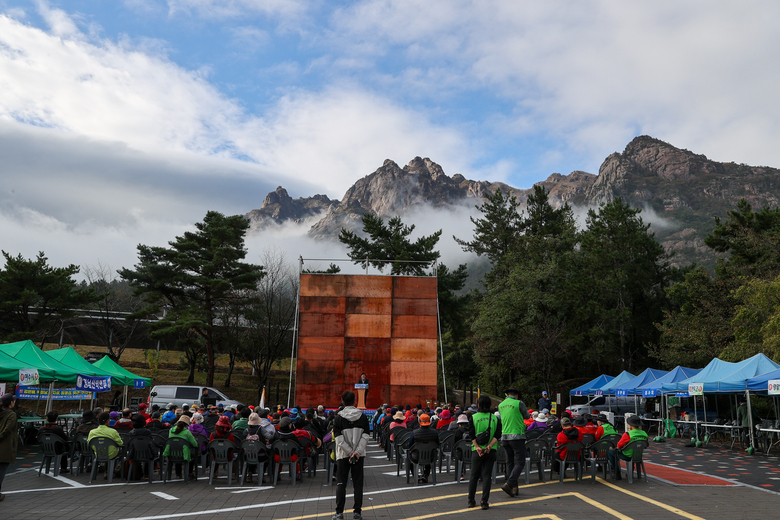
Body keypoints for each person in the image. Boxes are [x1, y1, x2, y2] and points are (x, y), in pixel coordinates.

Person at [332, 390, 370, 520]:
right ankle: (357, 512)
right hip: (359, 456)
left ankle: (339, 512)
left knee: (341, 483)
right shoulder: (363, 417)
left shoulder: (338, 418)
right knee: (358, 484)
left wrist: (349, 453)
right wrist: (356, 453)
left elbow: (338, 439)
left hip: (343, 455)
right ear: (355, 401)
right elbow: (366, 436)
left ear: (342, 401)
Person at [467, 395, 502, 510]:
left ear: (479, 404)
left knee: (474, 476)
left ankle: (471, 500)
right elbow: (498, 434)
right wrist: (489, 446)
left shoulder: (474, 417)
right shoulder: (495, 418)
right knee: (487, 476)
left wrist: (477, 447)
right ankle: (484, 501)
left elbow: (471, 434)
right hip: (490, 451)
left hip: (476, 451)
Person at [498, 387, 530, 498]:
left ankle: (514, 488)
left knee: (509, 462)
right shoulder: (518, 403)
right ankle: (509, 483)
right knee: (520, 462)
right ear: (516, 395)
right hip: (517, 435)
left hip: (505, 436)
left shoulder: (500, 405)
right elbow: (527, 416)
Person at [610, 415, 648, 480]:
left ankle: (617, 473)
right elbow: (646, 445)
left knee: (611, 452)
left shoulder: (628, 434)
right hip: (638, 455)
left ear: (630, 425)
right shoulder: (644, 433)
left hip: (627, 456)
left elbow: (619, 445)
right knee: (632, 450)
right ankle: (631, 472)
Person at [405, 413, 439, 483]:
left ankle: (415, 476)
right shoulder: (434, 432)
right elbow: (437, 444)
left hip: (416, 457)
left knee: (409, 459)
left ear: (419, 422)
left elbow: (409, 445)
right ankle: (425, 475)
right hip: (431, 456)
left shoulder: (414, 432)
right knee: (429, 454)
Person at [0, 393, 18, 501]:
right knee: (1, 470)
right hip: (5, 447)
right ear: (11, 403)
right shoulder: (11, 415)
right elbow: (7, 430)